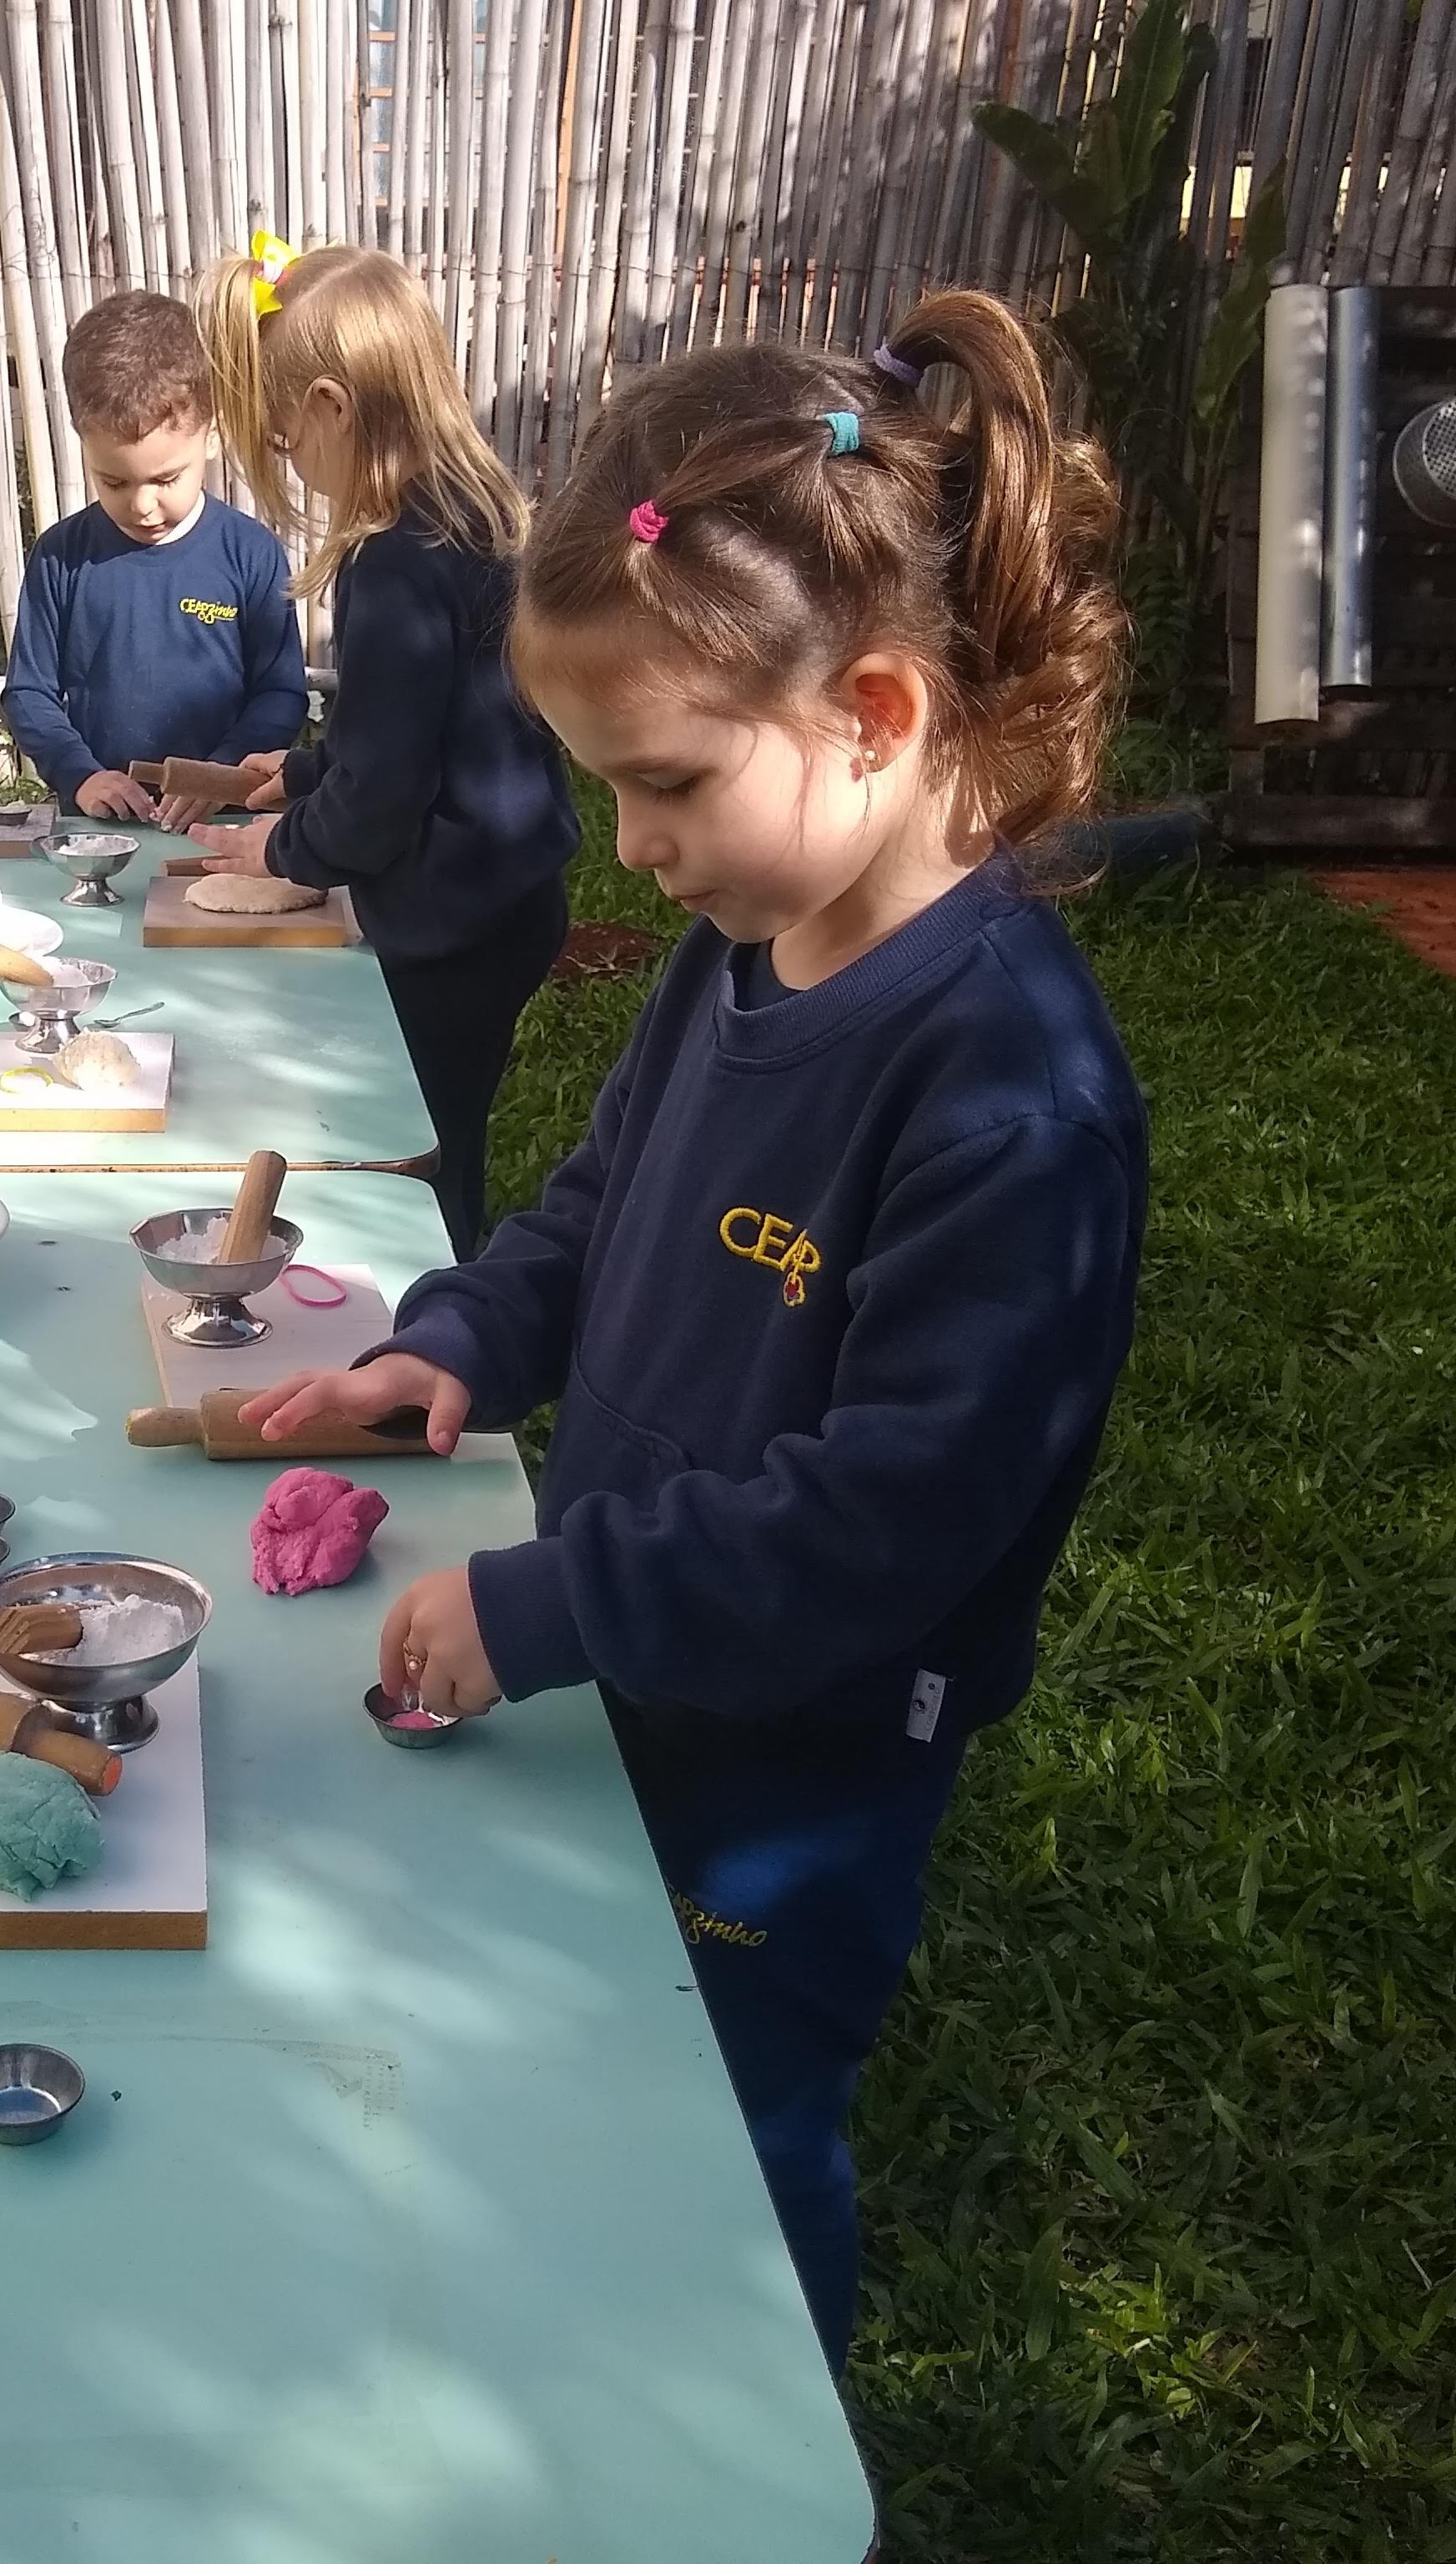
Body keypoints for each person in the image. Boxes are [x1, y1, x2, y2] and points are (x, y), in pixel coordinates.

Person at [240, 291, 1151, 2371]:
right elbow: (597, 1203)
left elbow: (889, 1519)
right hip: (645, 1649)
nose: (631, 848)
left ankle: (745, 2435)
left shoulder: (1011, 1096)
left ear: (877, 711)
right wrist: (461, 1338)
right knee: (586, 2049)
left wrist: (554, 1599)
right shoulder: (745, 941)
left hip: (799, 1755)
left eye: (664, 783)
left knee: (731, 2124)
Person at [189, 236, 581, 1254]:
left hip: (449, 923)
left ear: (331, 407)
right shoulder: (471, 511)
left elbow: (382, 794)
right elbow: (426, 727)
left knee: (409, 1150)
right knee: (449, 1127)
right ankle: (450, 1272)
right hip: (511, 896)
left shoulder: (393, 562)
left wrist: (283, 852)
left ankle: (428, 1301)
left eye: (284, 440)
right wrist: (301, 774)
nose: (292, 463)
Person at [0, 290, 308, 831]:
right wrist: (81, 775)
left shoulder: (251, 554)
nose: (142, 505)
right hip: (97, 832)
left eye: (166, 479)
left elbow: (280, 694)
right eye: (114, 481)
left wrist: (220, 774)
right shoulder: (61, 557)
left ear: (212, 437)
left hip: (222, 830)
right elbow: (29, 692)